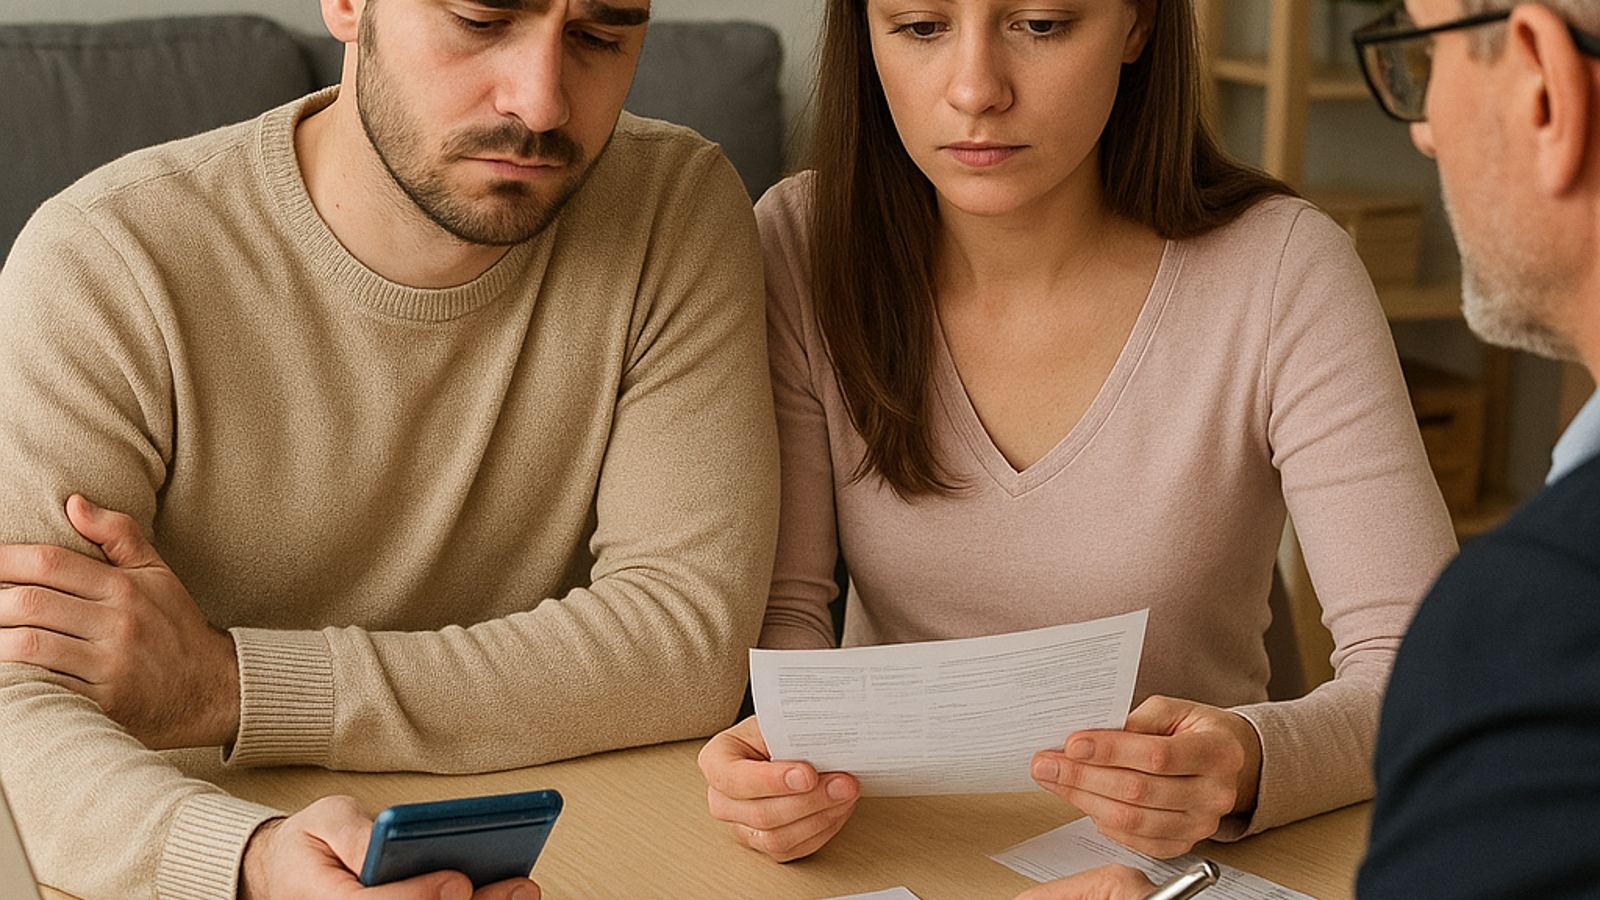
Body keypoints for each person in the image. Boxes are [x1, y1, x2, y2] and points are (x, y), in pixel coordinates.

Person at [0, 0, 779, 896]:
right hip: (204, 841)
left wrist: (233, 686)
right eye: (481, 20)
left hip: (566, 846)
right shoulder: (107, 262)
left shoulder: (672, 208)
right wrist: (246, 863)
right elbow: (19, 701)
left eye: (600, 36)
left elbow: (686, 639)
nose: (541, 104)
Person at [699, 0, 1457, 870]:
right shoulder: (800, 245)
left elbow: (1427, 673)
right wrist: (772, 763)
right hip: (881, 852)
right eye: (919, 27)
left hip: (1176, 867)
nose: (977, 89)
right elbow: (789, 619)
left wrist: (1244, 762)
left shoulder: (1284, 270)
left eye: (1043, 24)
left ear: (1137, 26)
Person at [1022, 0, 1600, 896]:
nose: (1423, 134)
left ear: (1542, 89)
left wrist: (1253, 758)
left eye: (1421, 63)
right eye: (919, 24)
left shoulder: (1544, 622)